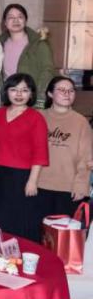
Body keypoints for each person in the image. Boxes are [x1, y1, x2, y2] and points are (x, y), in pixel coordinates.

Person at [0, 73, 50, 241]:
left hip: (21, 175)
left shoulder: (36, 117)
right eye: (14, 89)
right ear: (6, 91)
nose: (19, 94)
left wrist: (32, 181)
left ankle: (19, 251)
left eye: (24, 90)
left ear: (31, 94)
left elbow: (40, 151)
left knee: (19, 217)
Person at [38, 76, 92, 218]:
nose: (67, 94)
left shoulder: (81, 122)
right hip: (37, 184)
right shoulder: (38, 117)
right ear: (50, 93)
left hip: (67, 188)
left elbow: (86, 158)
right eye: (62, 90)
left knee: (60, 230)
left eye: (71, 91)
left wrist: (81, 185)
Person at [0, 4, 56, 109]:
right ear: (5, 23)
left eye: (20, 17)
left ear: (25, 21)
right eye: (11, 17)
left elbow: (47, 71)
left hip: (31, 99)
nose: (16, 20)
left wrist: (38, 97)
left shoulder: (39, 43)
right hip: (8, 99)